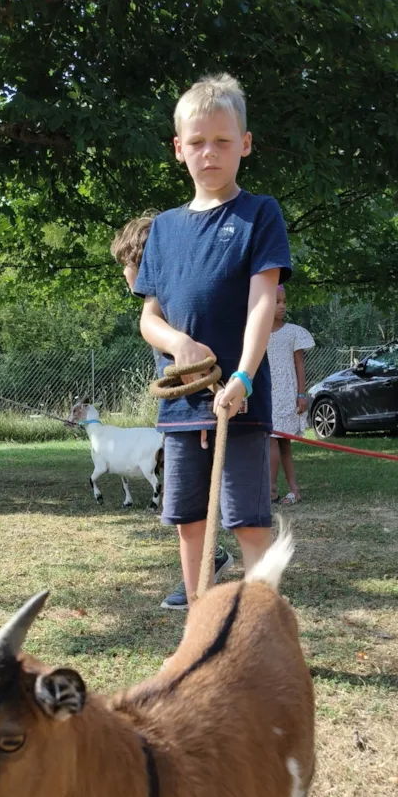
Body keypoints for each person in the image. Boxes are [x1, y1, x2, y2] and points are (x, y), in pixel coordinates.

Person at [134, 73, 290, 607]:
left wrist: (244, 375)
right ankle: (201, 635)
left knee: (248, 522)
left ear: (244, 144)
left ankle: (261, 634)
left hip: (239, 402)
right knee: (189, 522)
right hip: (183, 406)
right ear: (179, 149)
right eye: (197, 142)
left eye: (223, 141)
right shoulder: (165, 229)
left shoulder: (259, 214)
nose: (210, 153)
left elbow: (262, 304)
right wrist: (178, 345)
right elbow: (148, 317)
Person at [110, 212, 232, 607]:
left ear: (143, 263)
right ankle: (202, 569)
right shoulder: (153, 311)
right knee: (181, 509)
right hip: (178, 417)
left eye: (126, 267)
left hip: (202, 413)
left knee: (208, 505)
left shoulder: (179, 298)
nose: (126, 278)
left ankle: (207, 578)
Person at [267, 284, 314, 504]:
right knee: (274, 440)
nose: (282, 306)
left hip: (286, 393)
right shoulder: (257, 332)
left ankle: (276, 491)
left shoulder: (293, 332)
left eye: (284, 301)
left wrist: (301, 394)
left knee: (280, 442)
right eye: (277, 301)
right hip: (266, 392)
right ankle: (282, 490)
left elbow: (299, 365)